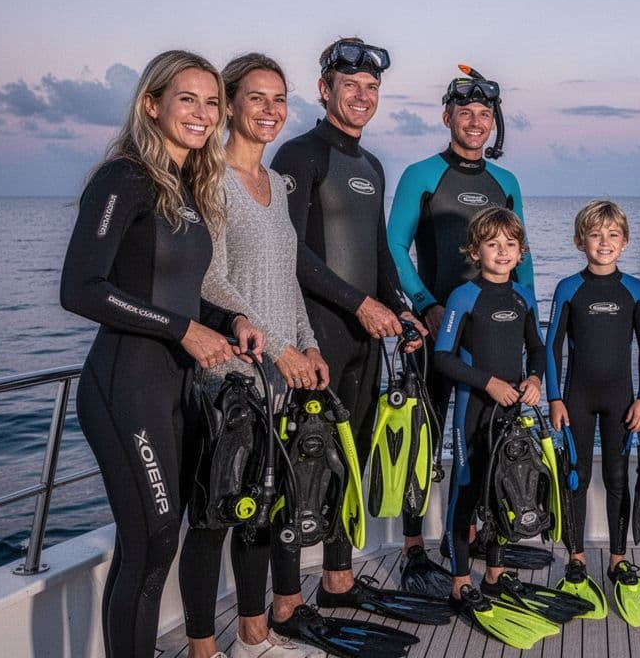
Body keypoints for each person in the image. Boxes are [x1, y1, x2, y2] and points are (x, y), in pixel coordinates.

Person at [60, 50, 263, 658]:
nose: (202, 114)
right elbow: (80, 289)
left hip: (173, 390)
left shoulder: (188, 188)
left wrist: (230, 319)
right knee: (151, 543)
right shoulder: (123, 178)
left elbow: (179, 291)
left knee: (152, 545)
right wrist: (182, 329)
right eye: (187, 100)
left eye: (211, 103)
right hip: (125, 387)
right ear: (152, 105)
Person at [179, 53, 329, 658]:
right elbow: (210, 283)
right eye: (256, 98)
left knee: (259, 510)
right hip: (225, 376)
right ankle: (201, 650)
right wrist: (281, 345)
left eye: (279, 100)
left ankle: (253, 637)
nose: (270, 111)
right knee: (213, 517)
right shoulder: (209, 182)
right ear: (231, 104)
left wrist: (309, 345)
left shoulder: (277, 186)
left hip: (276, 378)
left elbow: (286, 277)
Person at [270, 37, 425, 609]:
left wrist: (402, 307)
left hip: (366, 341)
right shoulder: (299, 155)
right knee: (304, 464)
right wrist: (359, 304)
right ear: (325, 89)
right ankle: (286, 601)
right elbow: (288, 249)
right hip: (315, 335)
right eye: (350, 86)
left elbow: (379, 252)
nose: (362, 97)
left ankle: (337, 582)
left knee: (351, 461)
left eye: (372, 88)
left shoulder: (373, 165)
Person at [386, 67, 533, 576]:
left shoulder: (506, 182)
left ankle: (469, 541)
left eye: (484, 114)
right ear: (447, 116)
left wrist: (526, 312)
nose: (475, 122)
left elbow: (524, 258)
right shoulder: (422, 175)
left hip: (491, 337)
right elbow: (393, 248)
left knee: (484, 443)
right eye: (465, 112)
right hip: (436, 333)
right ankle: (412, 550)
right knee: (424, 442)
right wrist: (426, 303)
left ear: (494, 122)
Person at [429, 207, 569, 645]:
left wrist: (533, 380)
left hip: (511, 415)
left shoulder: (524, 296)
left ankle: (495, 574)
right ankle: (459, 584)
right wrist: (488, 382)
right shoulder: (463, 297)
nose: (502, 252)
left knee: (503, 492)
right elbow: (443, 358)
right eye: (493, 244)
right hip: (475, 410)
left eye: (510, 245)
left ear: (521, 251)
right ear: (476, 251)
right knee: (467, 492)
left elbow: (536, 348)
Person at [544, 200, 640, 625]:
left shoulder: (634, 290)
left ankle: (619, 559)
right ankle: (577, 559)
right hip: (577, 398)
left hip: (622, 399)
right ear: (581, 240)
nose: (604, 243)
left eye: (612, 236)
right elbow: (552, 347)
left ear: (624, 242)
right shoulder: (568, 287)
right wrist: (555, 398)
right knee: (575, 478)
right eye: (596, 235)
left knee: (618, 478)